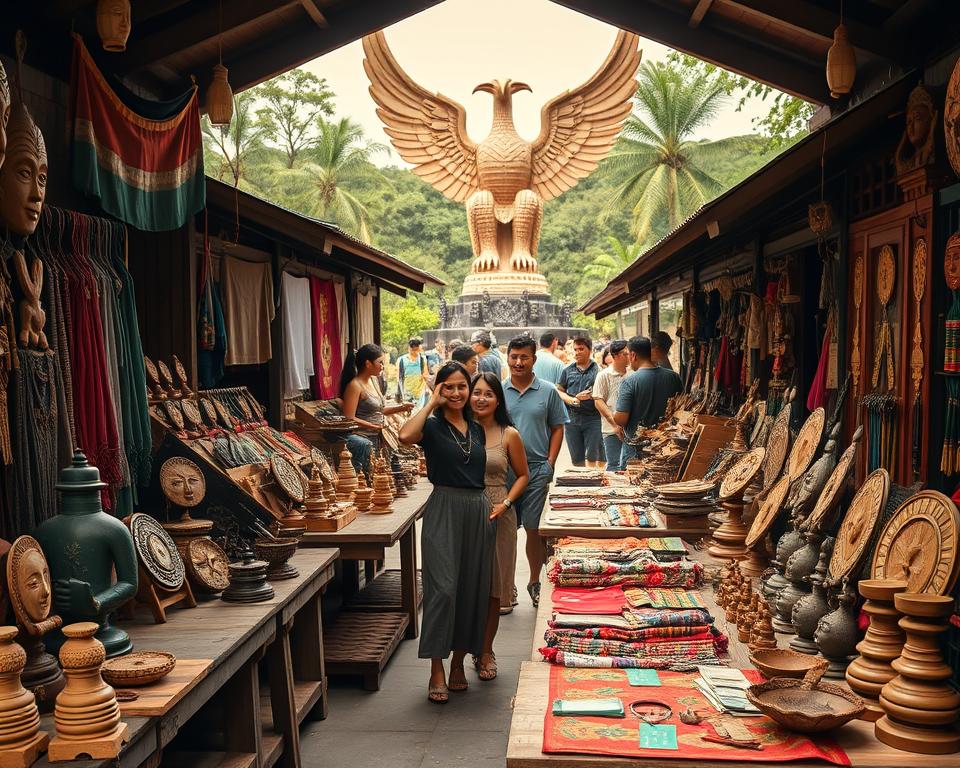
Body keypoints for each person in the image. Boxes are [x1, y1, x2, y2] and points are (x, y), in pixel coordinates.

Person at [399, 362, 495, 704]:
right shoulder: (433, 425)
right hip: (443, 507)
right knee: (443, 589)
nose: (456, 393)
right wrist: (429, 402)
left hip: (477, 509)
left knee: (472, 589)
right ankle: (436, 668)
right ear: (439, 389)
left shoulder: (478, 428)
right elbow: (404, 436)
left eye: (461, 387)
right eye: (448, 387)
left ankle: (457, 664)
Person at [470, 372, 529, 676]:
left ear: (497, 399)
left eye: (488, 394)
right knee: (467, 587)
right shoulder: (458, 430)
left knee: (494, 589)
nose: (481, 399)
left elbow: (522, 475)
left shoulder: (509, 434)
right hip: (465, 512)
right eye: (475, 392)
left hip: (499, 512)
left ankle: (485, 651)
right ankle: (462, 650)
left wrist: (506, 503)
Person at [502, 335, 567, 607]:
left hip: (537, 469)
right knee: (504, 532)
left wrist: (550, 462)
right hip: (503, 472)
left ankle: (533, 581)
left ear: (534, 360)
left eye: (524, 357)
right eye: (514, 357)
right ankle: (507, 587)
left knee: (533, 530)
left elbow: (557, 427)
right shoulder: (498, 390)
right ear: (508, 358)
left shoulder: (548, 390)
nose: (518, 362)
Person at [340, 344, 413, 474]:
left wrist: (402, 407)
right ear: (368, 364)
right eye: (380, 362)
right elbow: (349, 417)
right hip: (363, 436)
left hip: (378, 436)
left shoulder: (374, 381)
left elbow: (380, 410)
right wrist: (373, 426)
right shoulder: (354, 386)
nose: (383, 366)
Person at [614, 336, 682, 465]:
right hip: (667, 446)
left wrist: (612, 415)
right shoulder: (674, 377)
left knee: (633, 481)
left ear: (633, 355)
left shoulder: (630, 381)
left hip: (636, 447)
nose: (628, 359)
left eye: (628, 354)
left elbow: (621, 419)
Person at [556, 335, 603, 468]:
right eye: (575, 349)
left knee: (593, 457)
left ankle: (592, 484)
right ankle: (580, 484)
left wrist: (593, 395)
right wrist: (573, 400)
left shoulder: (598, 371)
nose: (577, 352)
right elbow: (559, 390)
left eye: (581, 349)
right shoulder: (567, 370)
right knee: (576, 459)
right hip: (572, 419)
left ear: (590, 350)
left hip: (593, 418)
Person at [592, 339, 629, 471]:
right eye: (626, 353)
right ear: (616, 355)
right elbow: (598, 401)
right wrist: (615, 425)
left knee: (632, 467)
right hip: (611, 430)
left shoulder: (633, 374)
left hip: (632, 429)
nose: (630, 356)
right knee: (614, 465)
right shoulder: (604, 375)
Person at [397, 338, 430, 406]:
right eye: (412, 349)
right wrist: (401, 393)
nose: (415, 352)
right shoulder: (401, 360)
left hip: (420, 393)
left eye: (416, 349)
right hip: (406, 393)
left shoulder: (422, 359)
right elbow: (399, 378)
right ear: (409, 348)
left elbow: (425, 375)